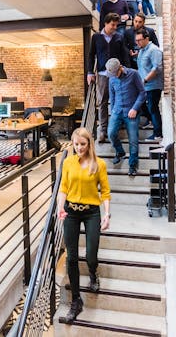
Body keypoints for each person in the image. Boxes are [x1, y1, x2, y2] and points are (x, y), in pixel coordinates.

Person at [57, 127, 111, 321]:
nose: (79, 148)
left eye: (82, 144)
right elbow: (63, 187)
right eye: (76, 144)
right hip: (71, 212)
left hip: (91, 213)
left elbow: (105, 192)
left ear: (89, 144)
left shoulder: (99, 164)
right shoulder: (68, 163)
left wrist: (107, 214)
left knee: (90, 254)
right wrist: (60, 207)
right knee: (71, 256)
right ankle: (76, 300)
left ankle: (93, 272)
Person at [87, 13, 129, 142]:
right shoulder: (96, 37)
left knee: (118, 102)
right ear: (106, 23)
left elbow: (124, 55)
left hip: (117, 75)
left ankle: (116, 128)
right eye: (113, 24)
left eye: (116, 25)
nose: (115, 27)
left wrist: (126, 69)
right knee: (103, 102)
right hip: (102, 75)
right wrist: (90, 72)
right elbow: (91, 55)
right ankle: (103, 131)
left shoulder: (119, 37)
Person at [106, 57, 146, 175]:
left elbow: (143, 93)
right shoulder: (111, 78)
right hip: (117, 111)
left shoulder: (134, 74)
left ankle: (132, 165)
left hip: (131, 112)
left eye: (115, 73)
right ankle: (120, 152)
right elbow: (112, 96)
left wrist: (135, 108)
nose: (113, 76)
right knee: (111, 133)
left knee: (133, 140)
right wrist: (112, 110)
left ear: (120, 68)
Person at [136, 29, 164, 141]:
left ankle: (158, 134)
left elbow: (156, 68)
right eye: (136, 41)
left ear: (147, 38)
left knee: (153, 108)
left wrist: (145, 80)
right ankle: (152, 122)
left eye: (139, 40)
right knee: (143, 106)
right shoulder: (142, 51)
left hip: (153, 85)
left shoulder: (154, 50)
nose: (137, 43)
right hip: (144, 86)